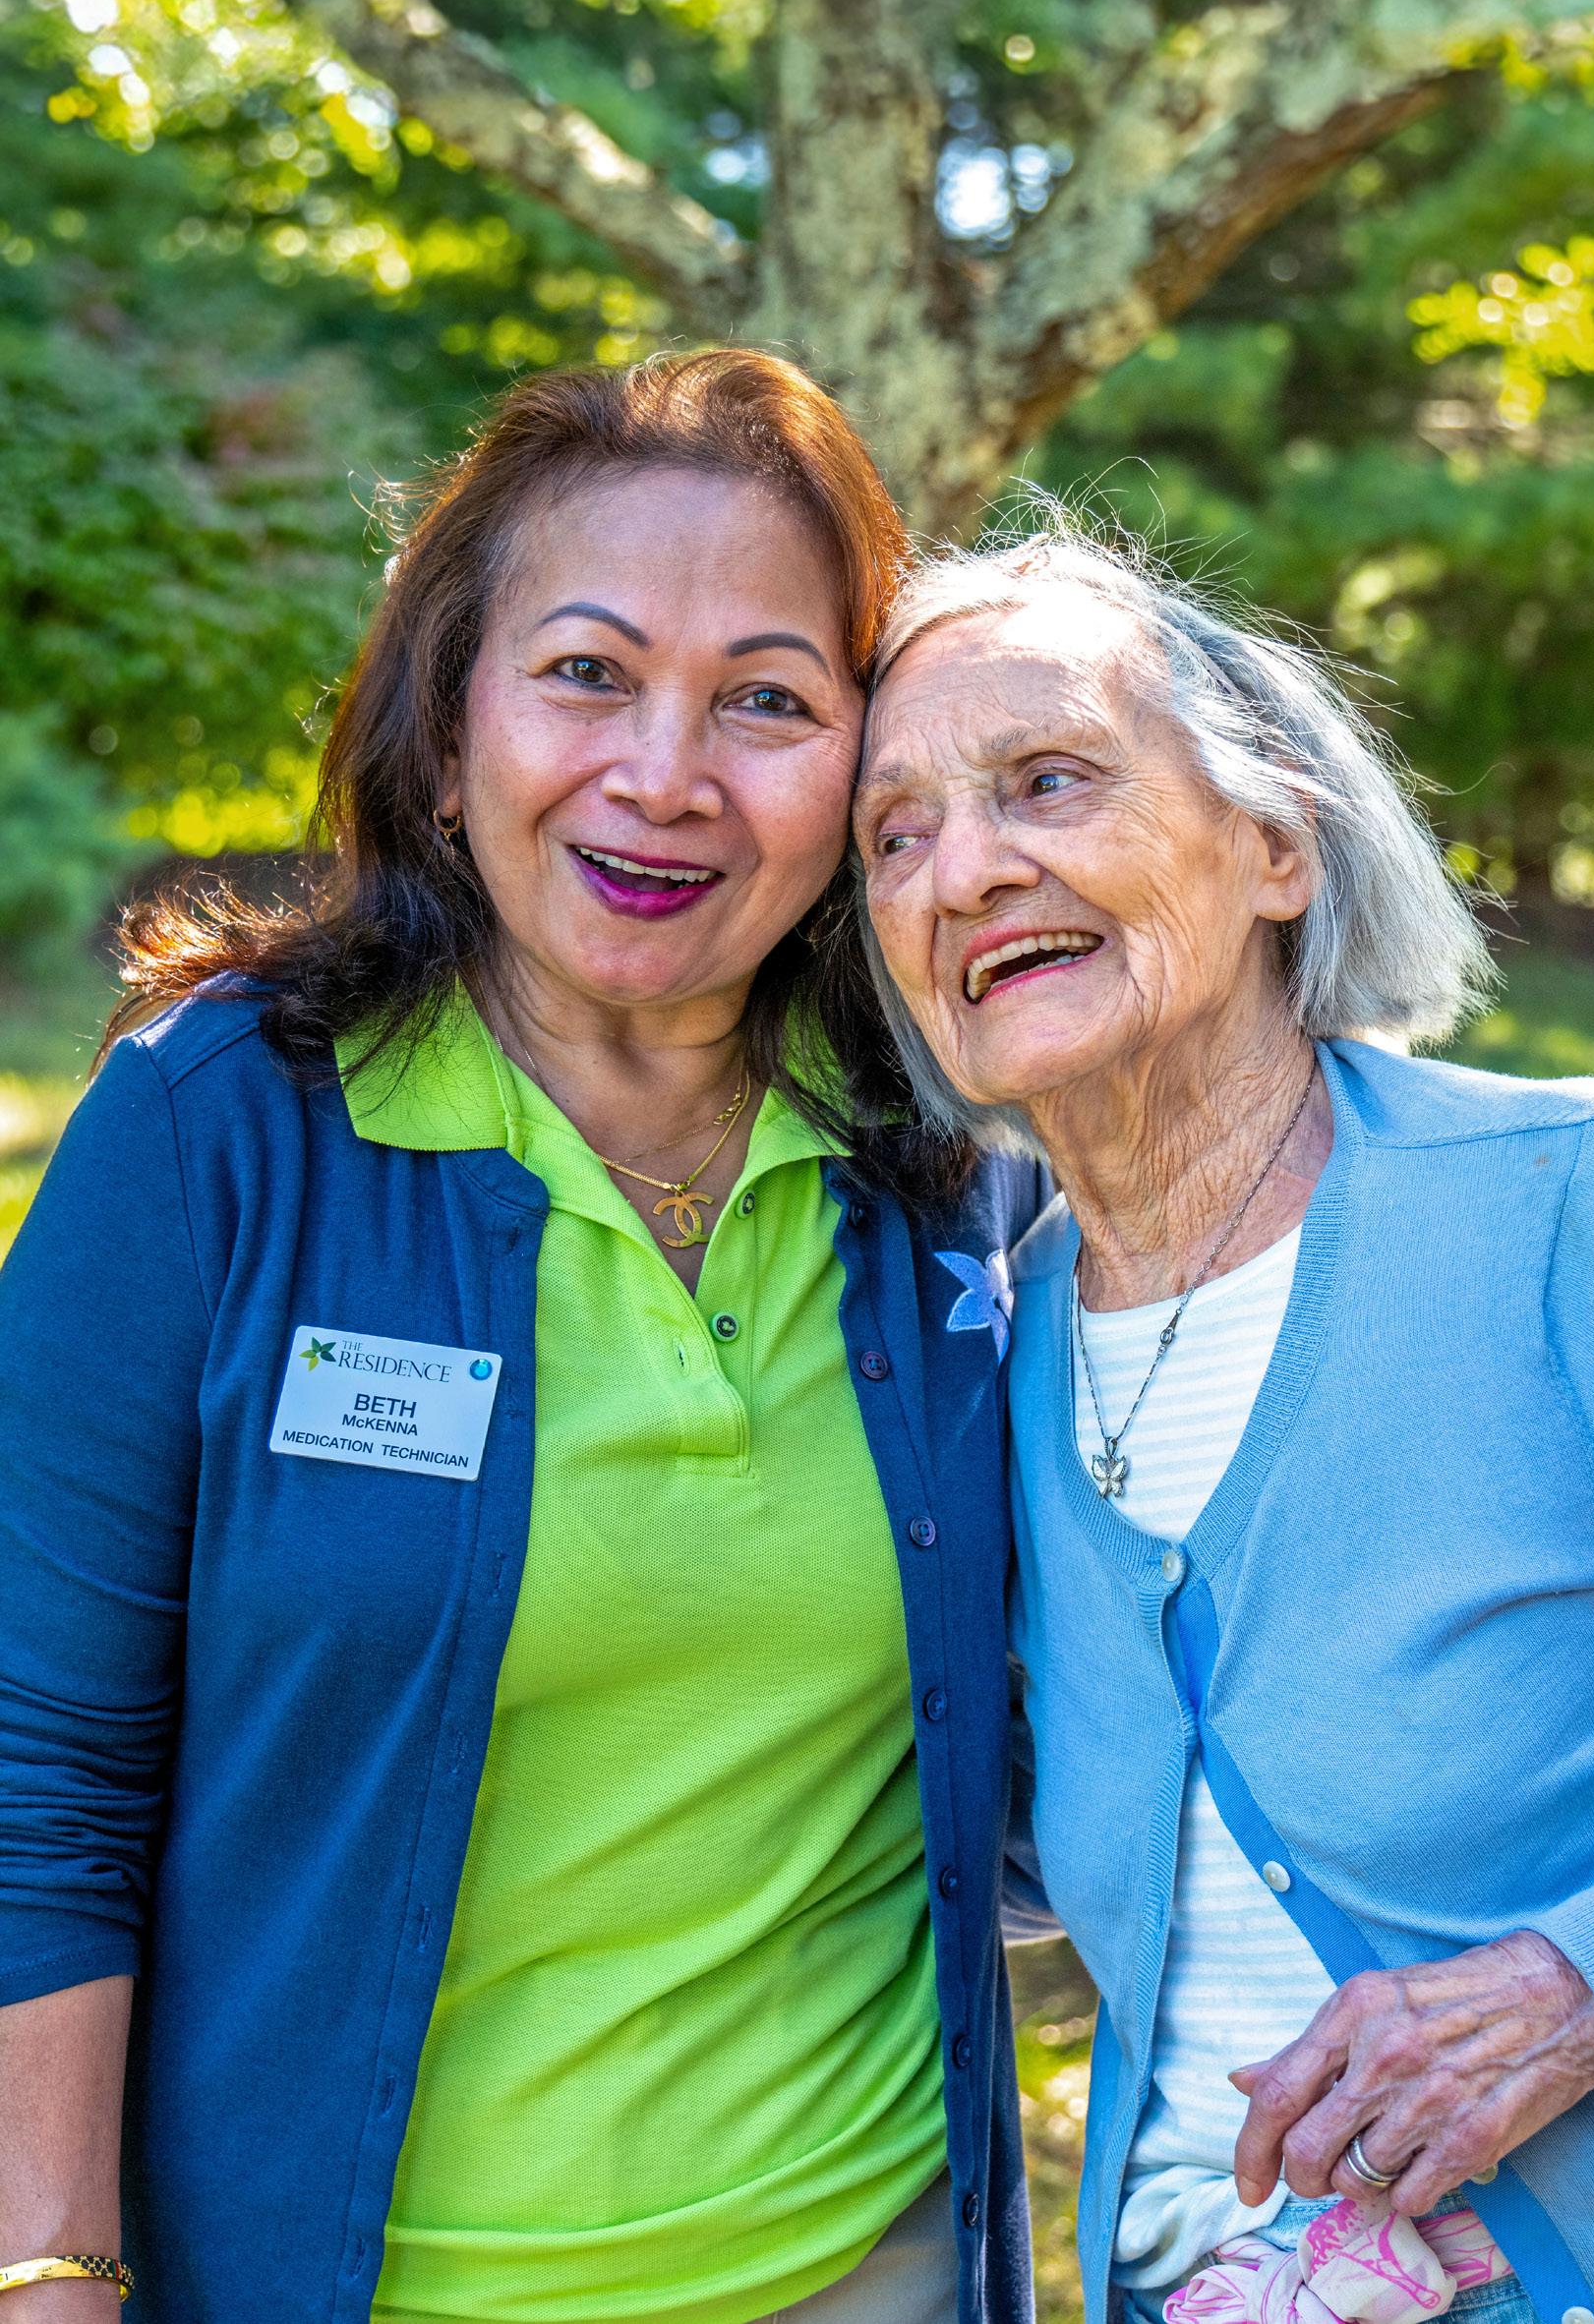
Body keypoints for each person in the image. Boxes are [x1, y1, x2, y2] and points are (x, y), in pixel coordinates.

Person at [0, 353, 1042, 2324]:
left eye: (768, 699)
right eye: (586, 671)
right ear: (445, 722)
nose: (666, 773)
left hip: (875, 2264)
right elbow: (30, 1763)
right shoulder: (217, 1132)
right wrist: (50, 2271)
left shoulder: (952, 1166)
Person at [853, 523, 1594, 2324]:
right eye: (895, 834)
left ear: (1276, 842)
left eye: (1049, 780)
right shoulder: (987, 1360)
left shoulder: (1589, 1210)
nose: (967, 868)